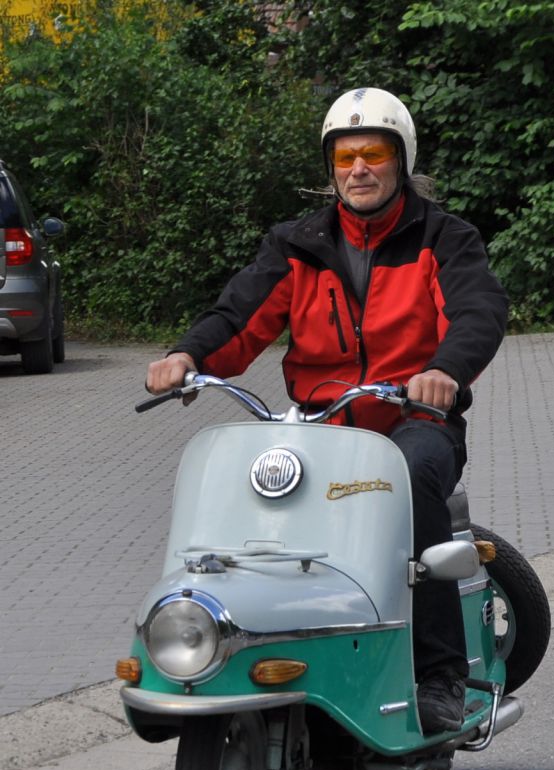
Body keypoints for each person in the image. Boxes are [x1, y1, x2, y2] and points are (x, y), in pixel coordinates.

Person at [146, 87, 508, 733]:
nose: (359, 169)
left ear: (400, 160)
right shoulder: (298, 244)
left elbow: (477, 311)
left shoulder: (444, 238)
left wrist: (444, 372)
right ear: (331, 168)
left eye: (373, 154)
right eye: (345, 157)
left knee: (408, 479)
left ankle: (441, 674)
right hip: (322, 425)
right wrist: (187, 354)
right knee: (253, 492)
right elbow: (241, 313)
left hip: (413, 418)